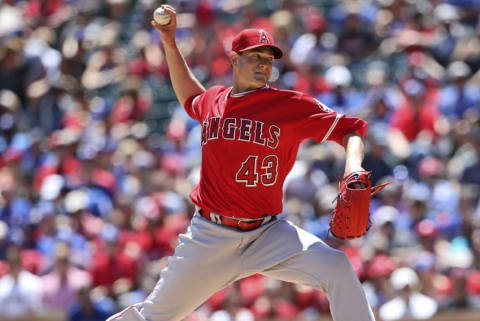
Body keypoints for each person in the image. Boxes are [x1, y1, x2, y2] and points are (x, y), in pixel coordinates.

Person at [108, 4, 376, 321]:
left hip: (267, 233)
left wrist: (354, 166)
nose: (264, 65)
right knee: (152, 317)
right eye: (255, 57)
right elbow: (190, 97)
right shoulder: (214, 100)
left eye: (269, 59)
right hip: (210, 236)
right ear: (234, 59)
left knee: (337, 267)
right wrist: (169, 41)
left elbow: (351, 129)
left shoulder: (290, 105)